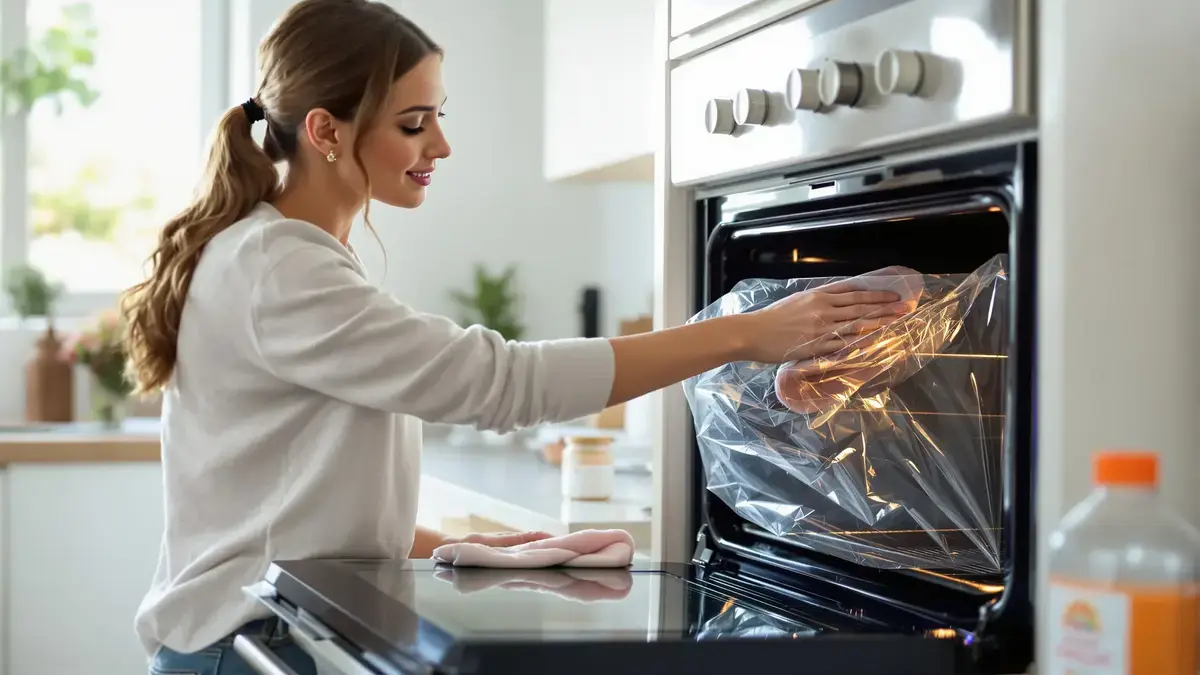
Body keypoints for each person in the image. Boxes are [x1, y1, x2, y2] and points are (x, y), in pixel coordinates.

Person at [123, 1, 908, 673]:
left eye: (439, 116)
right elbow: (497, 383)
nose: (440, 145)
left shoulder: (283, 255)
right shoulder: (279, 266)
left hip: (252, 634)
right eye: (412, 122)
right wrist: (746, 334)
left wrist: (472, 551)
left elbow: (297, 505)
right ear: (326, 130)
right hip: (238, 643)